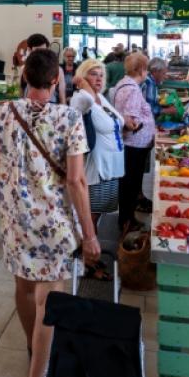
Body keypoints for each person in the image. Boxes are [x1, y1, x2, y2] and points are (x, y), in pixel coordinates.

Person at [0, 48, 99, 377]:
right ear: (56, 80)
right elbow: (76, 181)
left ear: (25, 78)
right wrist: (90, 235)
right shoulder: (70, 118)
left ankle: (34, 347)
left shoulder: (3, 113)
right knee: (50, 300)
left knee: (24, 290)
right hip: (55, 225)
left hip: (16, 222)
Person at [71, 59, 124, 278]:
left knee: (98, 213)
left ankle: (91, 254)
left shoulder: (101, 98)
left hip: (111, 167)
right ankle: (87, 262)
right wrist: (84, 87)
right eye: (93, 74)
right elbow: (76, 115)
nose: (99, 78)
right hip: (97, 167)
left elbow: (118, 121)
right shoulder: (82, 98)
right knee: (90, 215)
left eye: (101, 74)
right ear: (83, 77)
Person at [111, 53, 156, 233]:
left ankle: (126, 219)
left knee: (128, 184)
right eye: (146, 69)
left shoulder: (123, 84)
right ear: (141, 70)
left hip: (130, 144)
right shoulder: (134, 90)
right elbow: (130, 121)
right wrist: (142, 125)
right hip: (135, 145)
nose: (147, 73)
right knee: (131, 184)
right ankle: (127, 221)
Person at [20, 33, 67, 104]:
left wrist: (64, 109)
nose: (41, 55)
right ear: (29, 50)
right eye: (37, 51)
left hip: (51, 106)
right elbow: (21, 91)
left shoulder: (57, 70)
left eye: (44, 50)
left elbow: (62, 96)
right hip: (28, 106)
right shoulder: (24, 69)